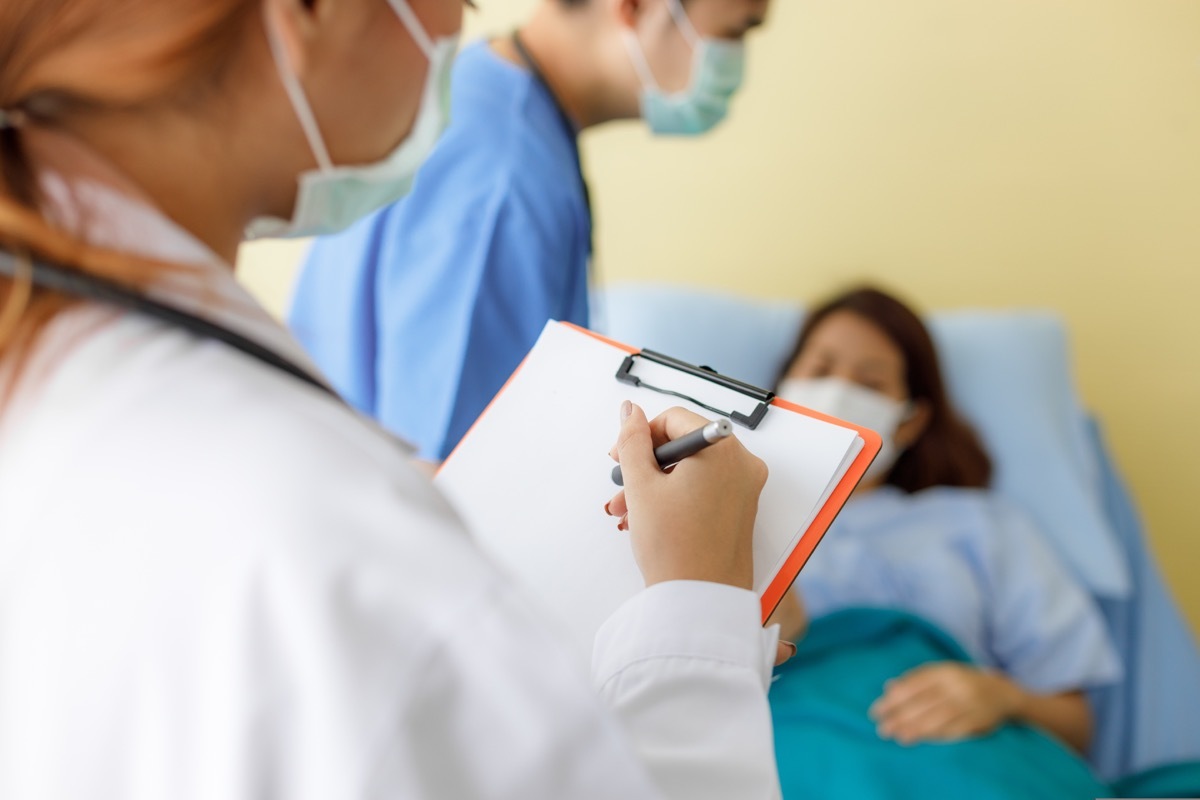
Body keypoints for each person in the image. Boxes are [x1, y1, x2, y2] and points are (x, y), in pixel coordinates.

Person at [0, 1, 786, 798]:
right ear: (310, 14)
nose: (454, 37)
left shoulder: (68, 364)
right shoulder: (324, 527)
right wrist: (700, 606)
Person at [287, 0, 770, 462]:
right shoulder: (506, 180)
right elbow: (448, 468)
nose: (738, 65)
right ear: (635, 5)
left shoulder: (483, 89)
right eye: (733, 32)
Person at [767, 286, 1121, 754]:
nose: (839, 391)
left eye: (871, 385)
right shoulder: (732, 519)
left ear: (909, 421)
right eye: (820, 369)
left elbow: (1078, 727)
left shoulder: (982, 525)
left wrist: (1004, 697)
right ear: (782, 388)